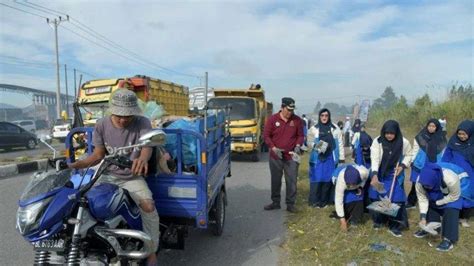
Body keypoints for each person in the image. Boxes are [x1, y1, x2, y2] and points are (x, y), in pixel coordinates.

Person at [68, 89, 160, 265]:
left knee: (148, 206)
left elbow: (148, 146)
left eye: (128, 116)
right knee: (84, 205)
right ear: (112, 110)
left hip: (132, 178)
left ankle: (151, 250)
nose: (123, 119)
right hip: (107, 175)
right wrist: (79, 164)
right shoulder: (102, 124)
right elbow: (98, 154)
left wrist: (142, 158)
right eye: (119, 115)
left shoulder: (142, 122)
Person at [369, 120, 412, 237]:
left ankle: (395, 226)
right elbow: (375, 158)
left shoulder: (404, 142)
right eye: (387, 133)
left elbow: (409, 154)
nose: (389, 135)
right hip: (380, 174)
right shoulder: (377, 141)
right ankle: (379, 221)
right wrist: (374, 174)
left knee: (396, 199)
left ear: (396, 132)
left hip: (394, 175)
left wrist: (402, 166)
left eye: (392, 133)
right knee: (378, 197)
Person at [263, 97, 305, 213]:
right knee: (276, 180)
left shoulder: (297, 120)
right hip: (276, 156)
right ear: (282, 108)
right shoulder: (272, 120)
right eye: (288, 110)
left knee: (291, 180)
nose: (290, 113)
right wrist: (273, 148)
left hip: (291, 156)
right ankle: (275, 202)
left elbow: (300, 135)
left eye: (292, 110)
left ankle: (290, 204)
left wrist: (298, 145)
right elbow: (266, 136)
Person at [414, 162, 462, 252]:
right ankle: (433, 227)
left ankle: (448, 240)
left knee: (451, 209)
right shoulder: (419, 182)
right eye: (424, 185)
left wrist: (439, 202)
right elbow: (422, 199)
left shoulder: (451, 179)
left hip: (451, 196)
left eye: (428, 185)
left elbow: (454, 196)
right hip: (436, 195)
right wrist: (423, 217)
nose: (425, 187)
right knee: (430, 203)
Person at [307, 108, 345, 208]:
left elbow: (340, 144)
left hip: (330, 158)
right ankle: (315, 202)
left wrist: (341, 158)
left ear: (329, 117)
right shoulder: (314, 129)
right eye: (322, 115)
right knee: (317, 179)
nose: (324, 117)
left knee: (328, 179)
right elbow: (309, 142)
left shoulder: (335, 129)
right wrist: (319, 147)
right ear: (319, 116)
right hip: (318, 158)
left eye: (326, 115)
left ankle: (326, 201)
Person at [407, 119, 447, 209]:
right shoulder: (420, 137)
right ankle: (411, 202)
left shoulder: (442, 139)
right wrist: (412, 161)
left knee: (433, 184)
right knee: (416, 183)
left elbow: (444, 154)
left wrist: (443, 166)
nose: (431, 128)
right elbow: (415, 150)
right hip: (420, 163)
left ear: (437, 128)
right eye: (429, 126)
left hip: (434, 164)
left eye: (433, 126)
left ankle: (432, 204)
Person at [442, 120, 474, 227]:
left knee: (468, 195)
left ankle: (464, 218)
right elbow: (446, 156)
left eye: (464, 134)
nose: (461, 136)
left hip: (470, 175)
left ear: (470, 133)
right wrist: (442, 167)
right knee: (454, 193)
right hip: (455, 173)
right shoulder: (453, 141)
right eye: (459, 133)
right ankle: (453, 216)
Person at [333, 164, 369, 231]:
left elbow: (365, 179)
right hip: (336, 175)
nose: (351, 186)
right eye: (349, 185)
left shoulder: (364, 172)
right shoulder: (341, 181)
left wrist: (360, 186)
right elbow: (338, 200)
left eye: (353, 184)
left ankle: (355, 219)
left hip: (357, 179)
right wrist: (342, 220)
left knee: (358, 198)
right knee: (346, 200)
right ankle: (345, 214)